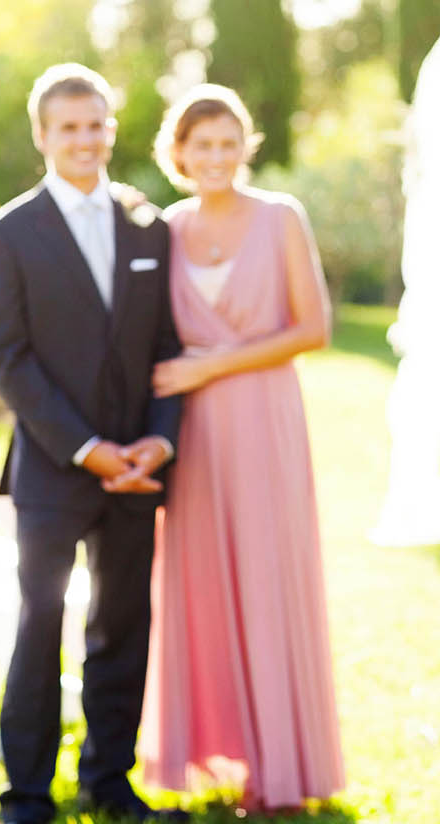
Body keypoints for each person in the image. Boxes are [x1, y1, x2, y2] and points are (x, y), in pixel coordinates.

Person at [0, 63, 186, 823]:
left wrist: (157, 445)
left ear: (111, 128)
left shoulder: (148, 224)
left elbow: (168, 342)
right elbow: (10, 360)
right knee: (39, 632)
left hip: (137, 469)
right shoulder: (8, 234)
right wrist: (88, 448)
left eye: (95, 124)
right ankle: (26, 796)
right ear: (43, 135)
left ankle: (109, 783)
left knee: (123, 629)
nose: (84, 140)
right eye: (68, 127)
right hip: (53, 473)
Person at [137, 84, 344, 812]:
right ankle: (212, 753)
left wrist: (209, 365)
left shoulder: (281, 218)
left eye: (230, 143)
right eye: (203, 146)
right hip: (189, 434)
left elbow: (314, 328)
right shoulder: (163, 228)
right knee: (200, 585)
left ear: (245, 147)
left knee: (264, 577)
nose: (217, 157)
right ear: (179, 153)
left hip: (263, 420)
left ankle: (279, 766)